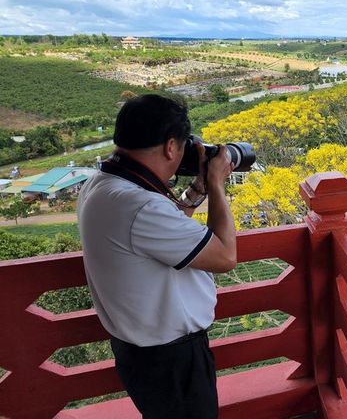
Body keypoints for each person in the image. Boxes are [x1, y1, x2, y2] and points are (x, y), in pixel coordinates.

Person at [78, 94, 237, 418]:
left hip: (141, 354)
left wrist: (197, 190)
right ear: (169, 147)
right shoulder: (139, 206)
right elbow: (225, 257)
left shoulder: (103, 184)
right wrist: (217, 184)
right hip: (173, 360)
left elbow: (165, 230)